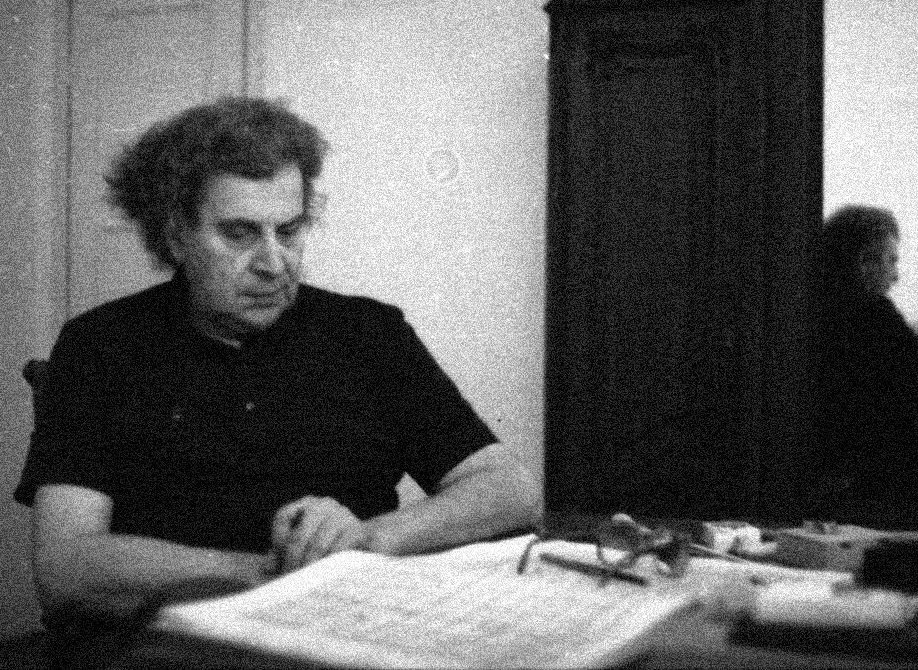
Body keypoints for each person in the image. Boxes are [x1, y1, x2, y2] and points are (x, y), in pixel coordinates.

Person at [14, 96, 542, 631]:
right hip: (173, 645)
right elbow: (65, 568)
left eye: (288, 231)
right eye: (239, 234)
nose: (273, 263)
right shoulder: (103, 345)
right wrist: (269, 571)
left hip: (341, 633)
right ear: (176, 236)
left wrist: (368, 539)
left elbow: (510, 488)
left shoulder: (367, 333)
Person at [811, 204, 918, 529]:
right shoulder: (873, 313)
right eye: (891, 260)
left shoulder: (813, 307)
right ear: (863, 263)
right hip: (876, 482)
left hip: (824, 473)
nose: (896, 275)